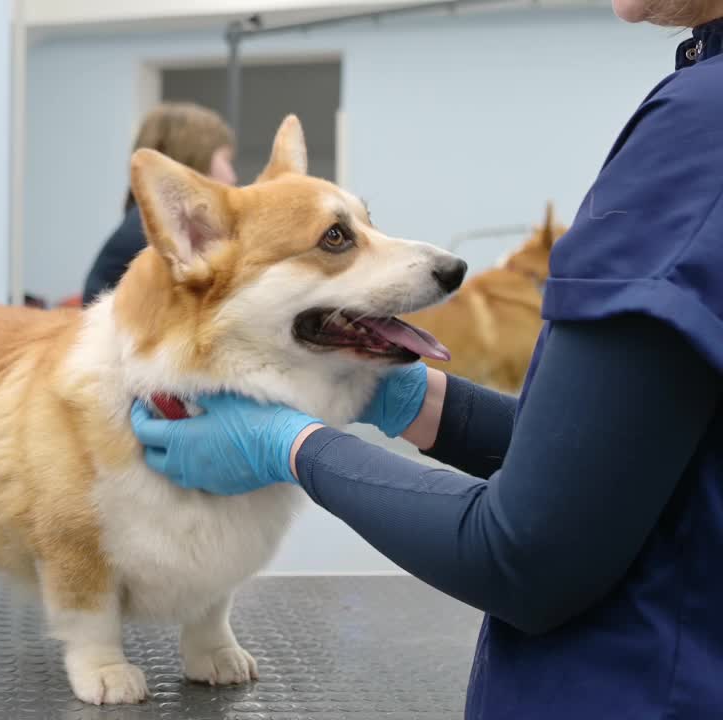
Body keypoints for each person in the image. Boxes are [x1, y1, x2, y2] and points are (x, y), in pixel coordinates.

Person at [129, 2, 723, 718]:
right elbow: (624, 461)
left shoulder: (700, 134)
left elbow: (525, 555)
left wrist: (289, 447)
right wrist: (418, 403)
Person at [81, 102, 238, 305]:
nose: (232, 176)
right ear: (195, 158)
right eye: (226, 160)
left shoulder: (145, 222)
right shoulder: (158, 226)